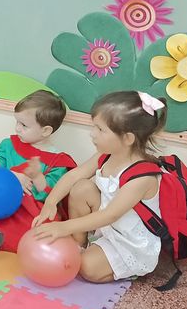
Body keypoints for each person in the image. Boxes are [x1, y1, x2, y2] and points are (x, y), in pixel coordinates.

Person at [31, 90, 166, 283]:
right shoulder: (107, 154)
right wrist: (50, 202)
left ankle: (130, 269)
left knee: (86, 267)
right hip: (107, 228)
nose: (92, 134)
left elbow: (110, 215)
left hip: (129, 242)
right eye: (94, 127)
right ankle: (80, 245)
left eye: (100, 130)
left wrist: (63, 227)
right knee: (81, 188)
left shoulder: (142, 178)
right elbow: (74, 175)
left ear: (127, 138)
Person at [0, 90, 76, 258]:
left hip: (28, 211)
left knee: (45, 230)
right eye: (17, 122)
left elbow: (49, 195)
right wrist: (13, 177)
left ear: (45, 131)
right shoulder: (8, 145)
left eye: (24, 125)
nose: (17, 128)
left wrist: (37, 177)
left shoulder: (58, 161)